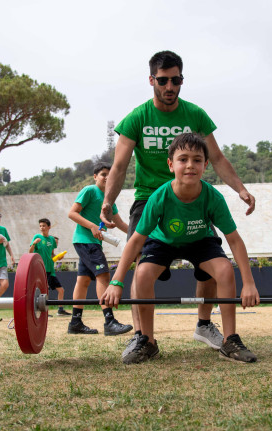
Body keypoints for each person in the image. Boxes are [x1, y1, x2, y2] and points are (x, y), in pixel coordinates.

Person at [100, 50, 256, 356]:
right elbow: (118, 167)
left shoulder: (195, 115)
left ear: (181, 80)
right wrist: (108, 201)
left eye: (176, 80)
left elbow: (218, 158)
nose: (170, 86)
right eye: (163, 80)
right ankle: (145, 338)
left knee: (209, 258)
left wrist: (239, 188)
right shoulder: (137, 118)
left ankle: (205, 324)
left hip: (193, 196)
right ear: (152, 80)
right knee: (138, 261)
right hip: (150, 198)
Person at [101, 133, 260, 364]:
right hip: (163, 241)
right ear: (170, 164)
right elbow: (135, 241)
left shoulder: (213, 197)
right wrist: (116, 282)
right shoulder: (159, 197)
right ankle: (147, 341)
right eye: (182, 159)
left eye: (197, 160)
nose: (189, 165)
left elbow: (234, 240)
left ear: (206, 165)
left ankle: (230, 340)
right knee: (143, 273)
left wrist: (249, 283)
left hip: (200, 240)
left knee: (225, 269)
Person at [67, 164, 133, 336]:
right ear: (95, 176)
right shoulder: (89, 190)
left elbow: (119, 223)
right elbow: (72, 213)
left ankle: (75, 322)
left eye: (110, 175)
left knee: (83, 281)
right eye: (103, 174)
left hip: (92, 243)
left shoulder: (109, 199)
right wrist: (92, 227)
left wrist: (138, 235)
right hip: (85, 241)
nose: (106, 177)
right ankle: (109, 321)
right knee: (103, 276)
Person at [29, 218, 69, 316]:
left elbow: (51, 254)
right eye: (40, 226)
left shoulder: (52, 239)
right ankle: (43, 311)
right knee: (43, 291)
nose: (42, 228)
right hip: (41, 269)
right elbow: (30, 252)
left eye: (44, 226)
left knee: (61, 290)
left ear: (49, 227)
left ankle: (60, 310)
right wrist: (34, 244)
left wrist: (57, 258)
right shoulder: (37, 237)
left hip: (51, 270)